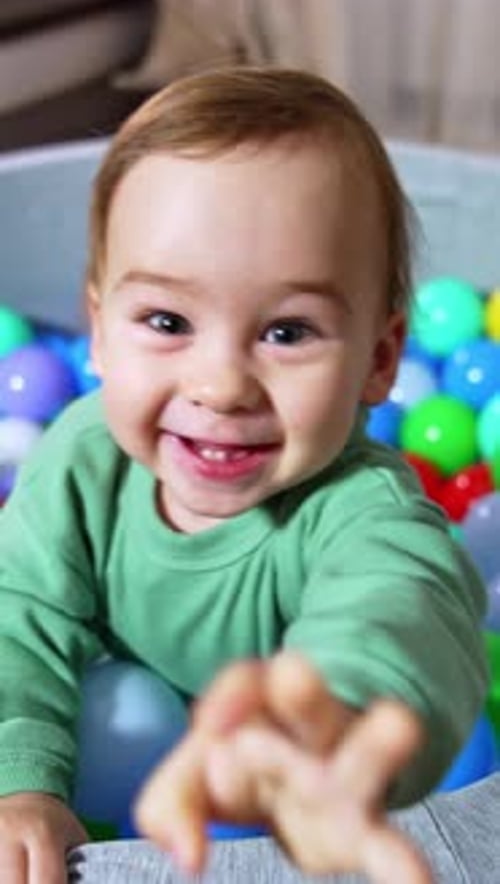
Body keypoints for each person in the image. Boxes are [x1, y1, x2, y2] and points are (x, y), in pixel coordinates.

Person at [0, 66, 488, 884]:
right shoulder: (82, 460)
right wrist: (19, 781)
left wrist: (328, 720)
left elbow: (402, 603)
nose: (221, 384)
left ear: (379, 361)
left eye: (289, 331)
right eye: (166, 321)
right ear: (98, 331)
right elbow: (16, 615)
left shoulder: (357, 506)